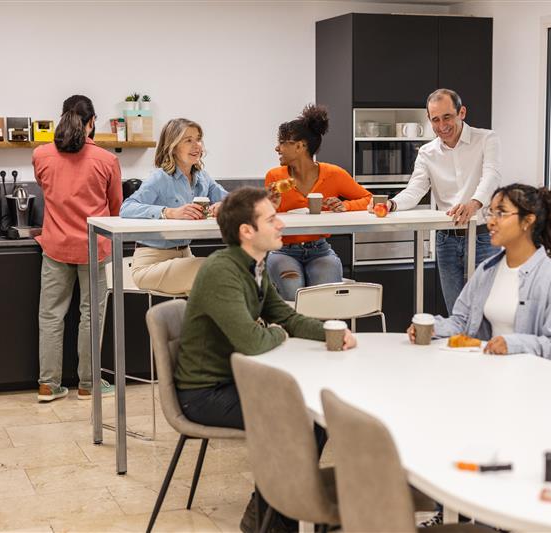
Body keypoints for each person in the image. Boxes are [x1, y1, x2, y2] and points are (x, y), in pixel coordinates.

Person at [175, 187, 356, 533]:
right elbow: (253, 341)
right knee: (298, 419)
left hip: (233, 381)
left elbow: (285, 317)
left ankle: (271, 514)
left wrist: (330, 331)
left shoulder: (254, 267)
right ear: (247, 231)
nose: (282, 223)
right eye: (271, 219)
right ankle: (279, 520)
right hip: (204, 394)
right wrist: (277, 334)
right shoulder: (222, 271)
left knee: (313, 410)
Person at [407, 184, 551, 368]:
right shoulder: (487, 270)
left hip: (536, 382)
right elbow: (461, 321)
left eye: (501, 213)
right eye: (490, 213)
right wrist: (433, 327)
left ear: (527, 221)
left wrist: (513, 344)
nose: (490, 222)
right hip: (492, 373)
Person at [376, 88, 501, 313]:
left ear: (461, 112)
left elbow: (492, 175)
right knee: (456, 311)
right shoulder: (427, 152)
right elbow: (415, 189)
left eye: (447, 117)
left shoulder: (486, 139)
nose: (442, 125)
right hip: (446, 240)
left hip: (483, 236)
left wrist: (474, 203)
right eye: (435, 120)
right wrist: (391, 204)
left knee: (486, 310)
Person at [33, 95, 121, 402]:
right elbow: (115, 207)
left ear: (62, 117)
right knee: (91, 316)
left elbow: (46, 191)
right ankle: (89, 383)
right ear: (92, 122)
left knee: (50, 316)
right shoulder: (107, 160)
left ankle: (48, 384)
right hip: (93, 247)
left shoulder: (41, 155)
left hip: (55, 245)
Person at [266, 104, 371, 301]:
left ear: (299, 146)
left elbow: (369, 199)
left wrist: (345, 206)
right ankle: (295, 332)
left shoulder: (334, 174)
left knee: (325, 299)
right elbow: (265, 219)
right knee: (292, 289)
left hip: (320, 251)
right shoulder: (274, 177)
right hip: (283, 250)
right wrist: (269, 206)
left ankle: (324, 332)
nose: (277, 148)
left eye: (282, 143)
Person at [120, 118, 227, 295]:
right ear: (173, 146)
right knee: (217, 272)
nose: (197, 145)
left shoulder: (202, 177)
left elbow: (231, 200)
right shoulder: (160, 178)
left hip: (185, 256)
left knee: (225, 276)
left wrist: (224, 206)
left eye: (198, 139)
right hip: (151, 264)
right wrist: (168, 212)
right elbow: (127, 207)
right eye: (188, 140)